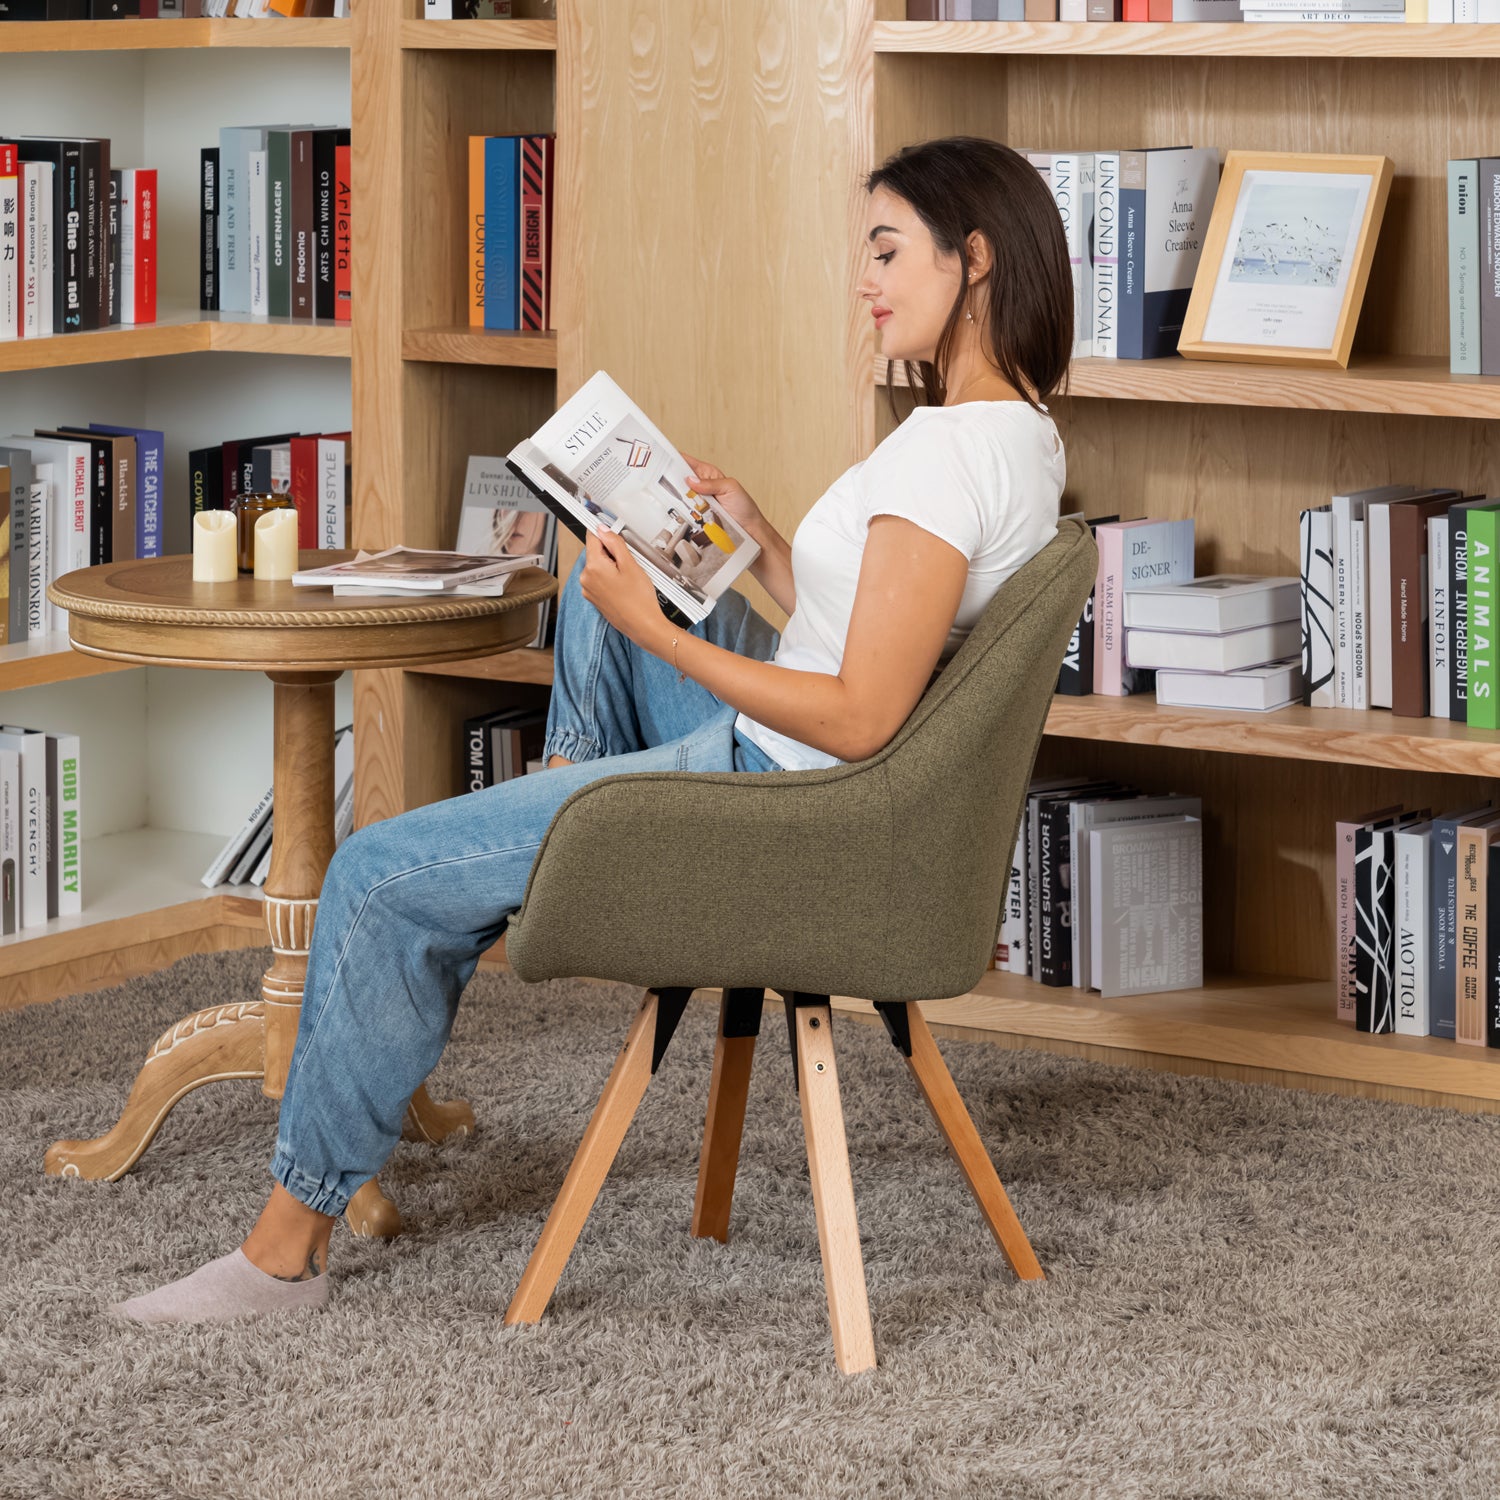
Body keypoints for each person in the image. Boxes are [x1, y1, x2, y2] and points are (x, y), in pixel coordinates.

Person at [108, 135, 1072, 1324]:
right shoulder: (1020, 434)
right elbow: (872, 638)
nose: (865, 281)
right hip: (824, 791)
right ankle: (573, 808)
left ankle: (281, 1252)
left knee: (374, 873)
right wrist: (761, 540)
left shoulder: (939, 453)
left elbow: (864, 714)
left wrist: (662, 634)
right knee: (602, 582)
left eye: (886, 252)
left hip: (787, 803)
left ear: (972, 259)